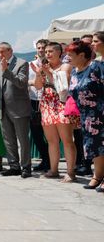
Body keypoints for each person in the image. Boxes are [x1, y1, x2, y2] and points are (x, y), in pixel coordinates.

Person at [0, 42, 32, 178]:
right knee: (8, 140)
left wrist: (7, 72)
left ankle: (26, 167)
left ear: (10, 50)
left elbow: (21, 83)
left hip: (19, 109)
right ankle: (14, 166)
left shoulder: (22, 63)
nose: (0, 55)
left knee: (23, 140)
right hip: (3, 109)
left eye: (2, 52)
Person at [31, 42, 79, 182]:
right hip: (47, 105)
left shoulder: (65, 66)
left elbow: (62, 87)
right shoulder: (44, 67)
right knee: (52, 141)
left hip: (62, 104)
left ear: (59, 52)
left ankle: (70, 172)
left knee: (67, 140)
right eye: (46, 52)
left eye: (51, 51)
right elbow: (38, 87)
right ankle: (54, 169)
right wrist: (38, 74)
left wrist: (47, 72)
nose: (48, 54)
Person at [66, 41, 104, 191]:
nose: (67, 58)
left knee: (102, 145)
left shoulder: (96, 67)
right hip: (85, 115)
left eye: (70, 55)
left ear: (82, 55)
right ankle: (98, 175)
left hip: (100, 113)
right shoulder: (75, 71)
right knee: (94, 147)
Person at [28, 39, 51, 172]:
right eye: (39, 48)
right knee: (36, 134)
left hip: (49, 100)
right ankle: (45, 159)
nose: (41, 50)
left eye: (44, 48)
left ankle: (50, 160)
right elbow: (26, 81)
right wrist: (34, 82)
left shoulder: (52, 64)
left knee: (51, 135)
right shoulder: (31, 64)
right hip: (34, 100)